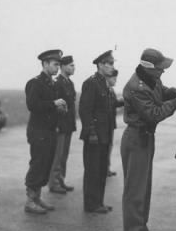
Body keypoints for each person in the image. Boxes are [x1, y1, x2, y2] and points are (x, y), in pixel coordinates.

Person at [121, 48, 176, 231]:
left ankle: (141, 225)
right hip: (136, 137)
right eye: (160, 68)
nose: (163, 71)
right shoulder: (136, 87)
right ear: (148, 67)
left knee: (145, 185)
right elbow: (153, 113)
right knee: (135, 187)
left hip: (145, 137)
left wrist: (174, 92)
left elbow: (161, 91)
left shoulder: (152, 80)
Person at [24, 49, 67, 214]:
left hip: (49, 131)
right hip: (38, 131)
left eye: (58, 64)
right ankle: (30, 200)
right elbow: (33, 106)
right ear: (45, 64)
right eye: (55, 64)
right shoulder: (35, 83)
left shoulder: (52, 83)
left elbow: (49, 106)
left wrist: (59, 109)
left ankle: (37, 198)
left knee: (45, 164)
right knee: (37, 164)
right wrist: (54, 103)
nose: (57, 68)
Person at [79, 50, 116, 214]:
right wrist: (91, 132)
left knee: (101, 170)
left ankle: (98, 202)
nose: (112, 67)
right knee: (93, 170)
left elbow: (109, 107)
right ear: (101, 65)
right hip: (95, 135)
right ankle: (90, 204)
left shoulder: (104, 84)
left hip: (105, 134)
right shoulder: (91, 83)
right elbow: (85, 110)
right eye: (110, 63)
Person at [49, 55, 77, 194]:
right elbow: (55, 106)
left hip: (68, 124)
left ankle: (60, 180)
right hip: (60, 124)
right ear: (63, 67)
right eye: (71, 65)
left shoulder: (69, 83)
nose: (74, 68)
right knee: (58, 154)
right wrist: (57, 124)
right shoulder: (57, 83)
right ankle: (53, 183)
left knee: (64, 155)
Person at [107, 69, 124, 177]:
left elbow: (114, 104)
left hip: (110, 124)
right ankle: (104, 168)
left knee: (109, 147)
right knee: (105, 147)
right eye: (114, 78)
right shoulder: (106, 90)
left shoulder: (111, 90)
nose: (115, 81)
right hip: (105, 124)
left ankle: (106, 168)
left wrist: (122, 100)